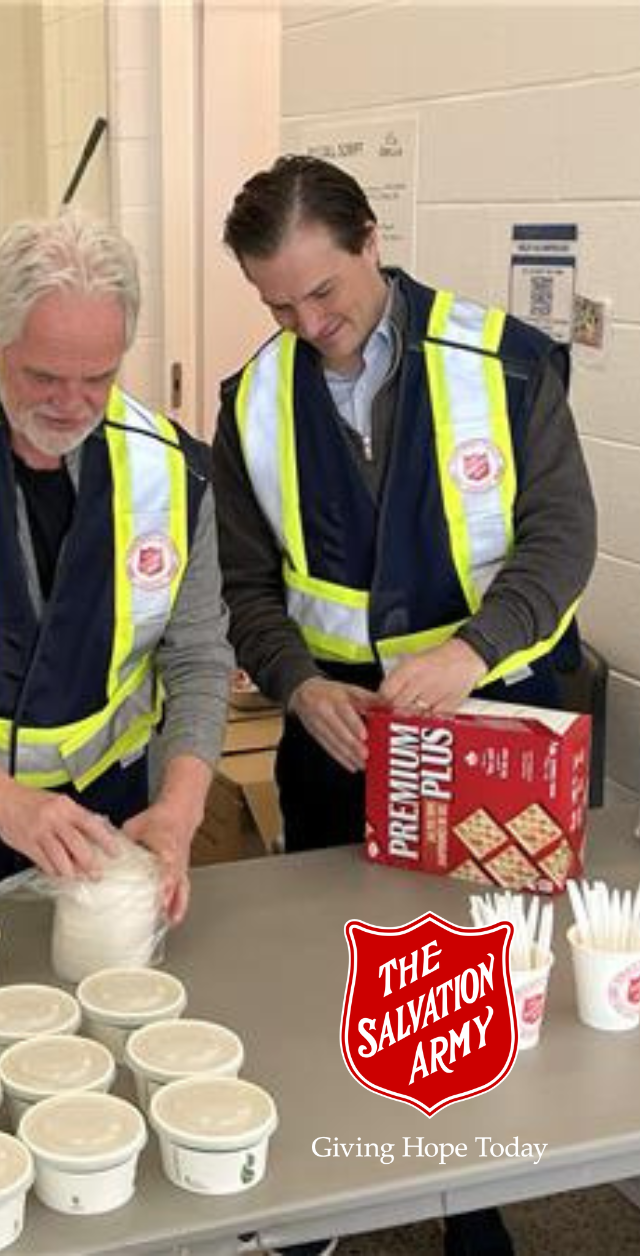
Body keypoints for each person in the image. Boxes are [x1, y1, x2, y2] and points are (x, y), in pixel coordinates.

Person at [215, 154, 592, 1256]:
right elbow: (242, 586)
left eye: (324, 290)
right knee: (336, 974)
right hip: (337, 743)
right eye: (277, 303)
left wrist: (475, 651)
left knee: (466, 988)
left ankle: (469, 1202)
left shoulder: (505, 363)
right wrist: (296, 679)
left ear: (371, 239)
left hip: (491, 731)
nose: (309, 322)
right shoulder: (255, 399)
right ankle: (339, 1192)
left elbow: (562, 538)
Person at [0, 213, 231, 921]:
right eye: (44, 376)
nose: (71, 404)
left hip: (119, 817)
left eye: (100, 377)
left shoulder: (173, 474)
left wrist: (179, 810)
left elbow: (200, 660)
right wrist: (6, 802)